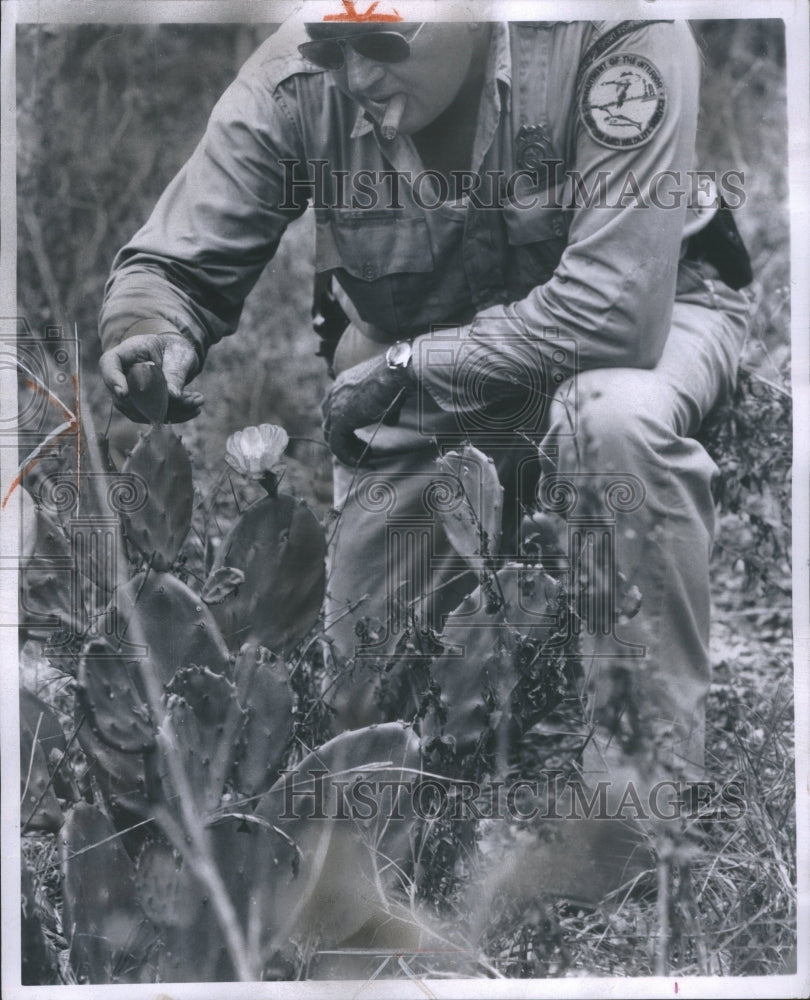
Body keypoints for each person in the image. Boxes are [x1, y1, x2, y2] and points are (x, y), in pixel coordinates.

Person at [98, 15, 752, 903]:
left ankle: (636, 812)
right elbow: (175, 260)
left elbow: (614, 315)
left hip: (636, 335)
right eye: (335, 46)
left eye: (385, 43)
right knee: (363, 709)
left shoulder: (618, 36)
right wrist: (151, 327)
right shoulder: (297, 79)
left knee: (615, 422)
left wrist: (409, 367)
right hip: (426, 363)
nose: (353, 71)